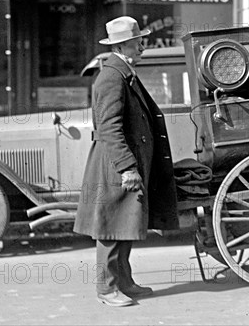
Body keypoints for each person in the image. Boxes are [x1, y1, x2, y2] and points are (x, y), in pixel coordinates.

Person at [74, 16, 179, 307]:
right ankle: (107, 289)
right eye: (138, 41)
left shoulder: (123, 72)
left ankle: (125, 282)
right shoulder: (111, 77)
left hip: (123, 163)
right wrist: (127, 167)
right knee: (109, 227)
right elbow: (109, 128)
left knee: (126, 223)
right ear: (123, 44)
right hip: (115, 165)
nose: (143, 45)